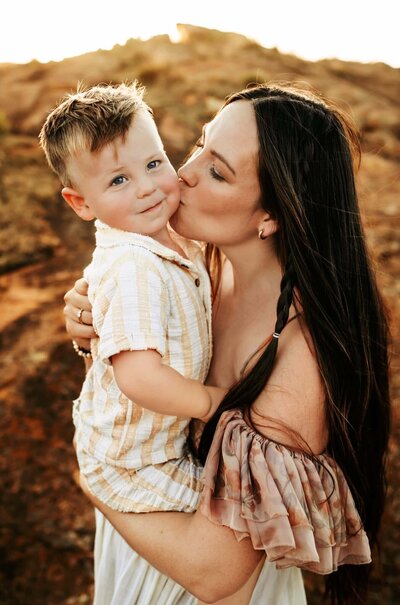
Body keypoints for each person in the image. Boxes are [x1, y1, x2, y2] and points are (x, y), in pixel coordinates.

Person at [64, 82, 390, 605]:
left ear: (272, 216)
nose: (183, 174)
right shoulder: (199, 269)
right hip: (142, 546)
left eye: (217, 171)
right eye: (197, 145)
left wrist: (92, 475)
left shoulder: (295, 358)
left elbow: (214, 573)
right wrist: (92, 328)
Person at [39, 82, 229, 601]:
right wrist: (215, 403)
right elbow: (139, 376)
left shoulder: (175, 238)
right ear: (81, 203)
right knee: (236, 527)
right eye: (119, 179)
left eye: (154, 163)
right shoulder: (133, 265)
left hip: (156, 443)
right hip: (132, 458)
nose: (147, 187)